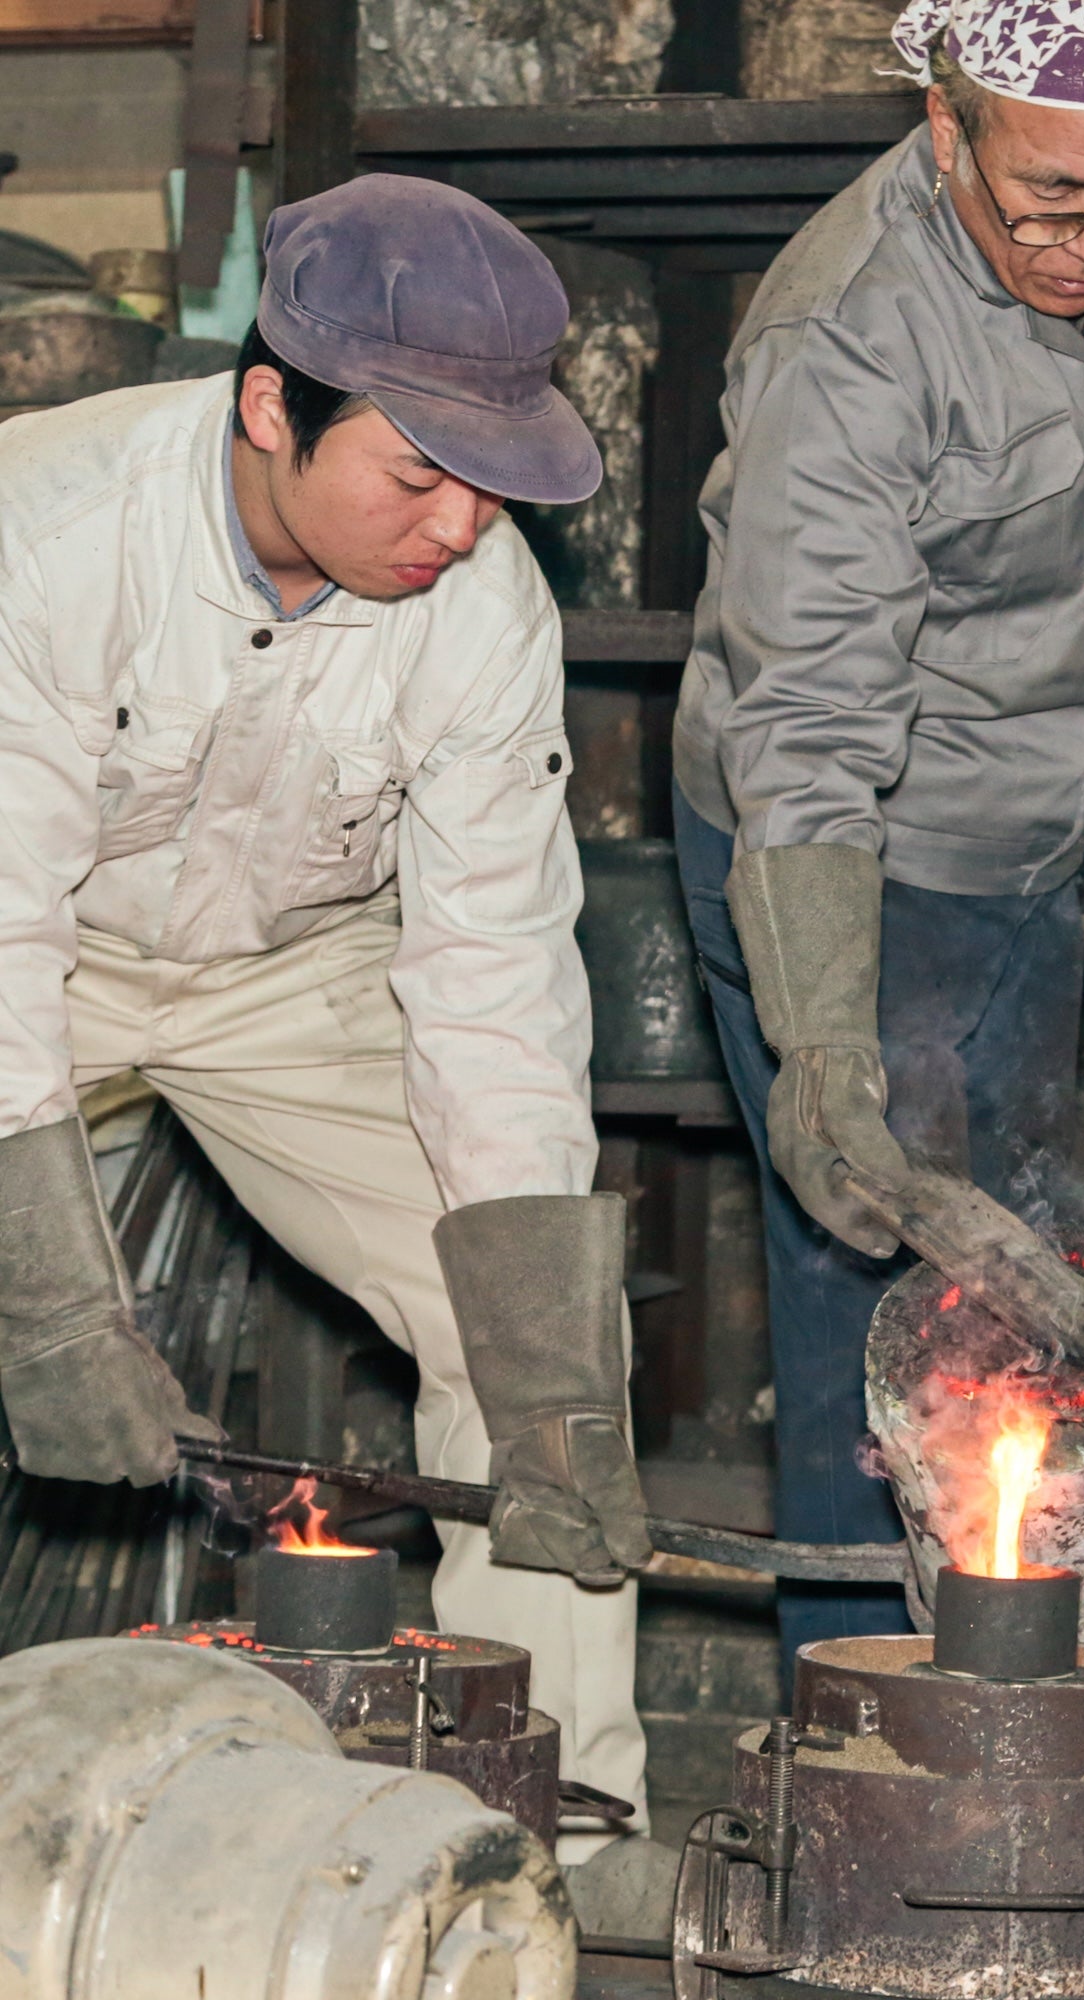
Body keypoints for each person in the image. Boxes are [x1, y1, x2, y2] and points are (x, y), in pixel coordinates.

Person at [0, 173, 652, 1858]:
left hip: (289, 970)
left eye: (495, 487)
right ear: (271, 407)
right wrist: (62, 1318)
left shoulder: (482, 607)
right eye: (419, 474)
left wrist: (550, 1359)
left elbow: (496, 968)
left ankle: (546, 1834)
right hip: (37, 951)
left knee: (524, 1344)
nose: (458, 528)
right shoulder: (46, 536)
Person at [672, 0, 1084, 1667]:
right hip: (847, 857)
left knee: (1058, 1264)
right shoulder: (848, 341)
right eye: (1051, 199)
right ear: (946, 128)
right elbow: (808, 721)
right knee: (889, 1305)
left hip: (1024, 850)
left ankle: (1067, 1678)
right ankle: (858, 1724)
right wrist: (826, 1042)